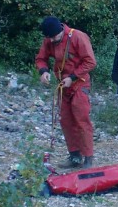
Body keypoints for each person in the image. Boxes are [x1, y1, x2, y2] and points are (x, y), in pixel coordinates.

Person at [35, 16, 97, 168]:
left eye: (53, 37)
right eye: (48, 38)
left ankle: (88, 158)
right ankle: (74, 157)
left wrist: (73, 77)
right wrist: (43, 71)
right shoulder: (50, 38)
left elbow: (90, 62)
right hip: (63, 86)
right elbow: (41, 58)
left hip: (79, 84)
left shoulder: (78, 37)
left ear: (61, 31)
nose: (50, 41)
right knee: (66, 121)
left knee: (81, 119)